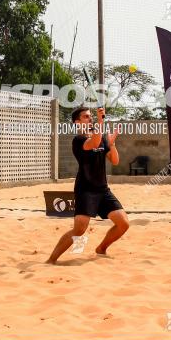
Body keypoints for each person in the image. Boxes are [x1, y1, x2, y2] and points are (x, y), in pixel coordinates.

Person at [47, 106, 130, 263]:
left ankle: (101, 248)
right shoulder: (78, 140)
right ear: (77, 122)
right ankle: (51, 260)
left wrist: (111, 144)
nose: (89, 118)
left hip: (103, 190)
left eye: (90, 116)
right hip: (86, 191)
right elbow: (94, 142)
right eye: (86, 116)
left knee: (123, 224)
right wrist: (100, 120)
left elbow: (115, 160)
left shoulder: (101, 138)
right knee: (79, 230)